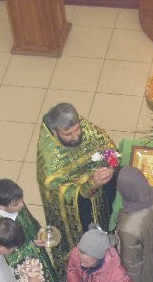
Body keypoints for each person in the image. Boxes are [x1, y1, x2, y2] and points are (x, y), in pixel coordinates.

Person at [37, 102, 118, 268]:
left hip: (101, 200)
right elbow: (55, 190)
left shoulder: (87, 130)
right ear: (55, 132)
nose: (76, 136)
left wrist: (111, 167)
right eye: (68, 134)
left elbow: (108, 148)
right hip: (79, 211)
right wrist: (90, 184)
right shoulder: (49, 160)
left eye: (77, 129)